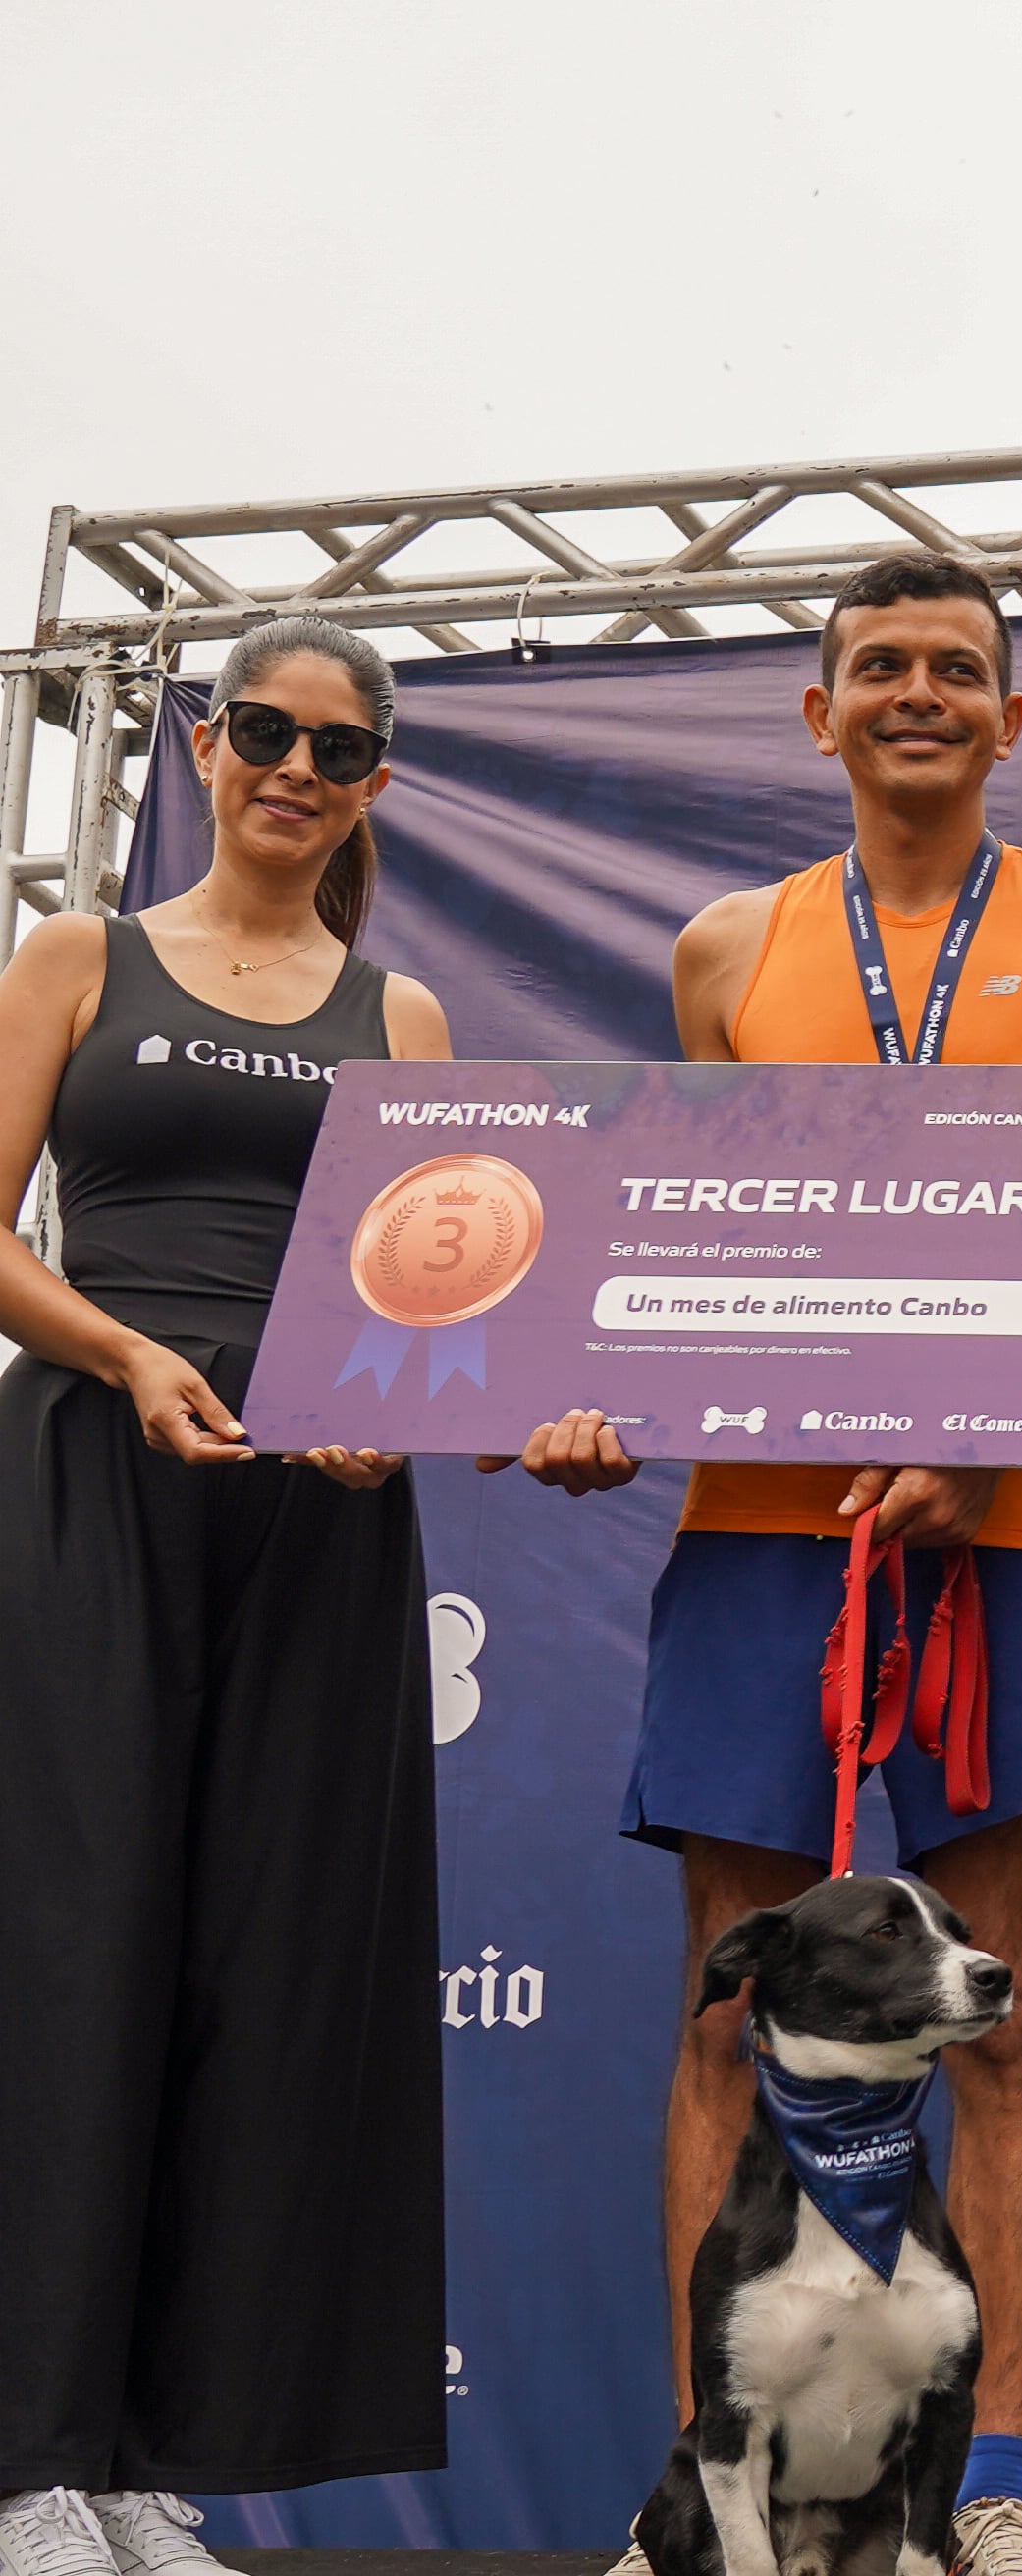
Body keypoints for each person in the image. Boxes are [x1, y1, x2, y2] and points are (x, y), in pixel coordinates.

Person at [502, 553, 1022, 2576]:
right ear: (819, 713)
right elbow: (685, 1252)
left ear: (1012, 716)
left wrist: (987, 1445)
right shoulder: (731, 945)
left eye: (957, 670)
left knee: (1007, 2013)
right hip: (758, 1528)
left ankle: (989, 2488)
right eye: (880, 667)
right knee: (726, 2008)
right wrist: (583, 1391)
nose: (918, 694)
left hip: (1010, 1528)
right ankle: (707, 2495)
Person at [0, 619, 453, 2576]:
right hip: (99, 1468)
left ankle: (158, 2466)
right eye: (264, 730)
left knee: (258, 1980)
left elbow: (435, 1296)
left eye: (335, 747)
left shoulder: (404, 1014)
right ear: (200, 742)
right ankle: (35, 2460)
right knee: (74, 1953)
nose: (293, 765)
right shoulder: (74, 957)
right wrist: (122, 1356)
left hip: (316, 1525)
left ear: (373, 783)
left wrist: (387, 1417)